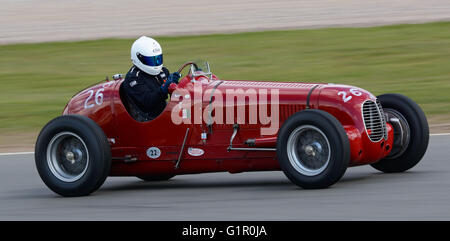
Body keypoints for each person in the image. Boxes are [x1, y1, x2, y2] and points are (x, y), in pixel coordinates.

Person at [122, 36, 181, 120]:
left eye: (158, 59)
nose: (156, 64)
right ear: (139, 58)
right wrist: (164, 88)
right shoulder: (133, 79)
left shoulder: (162, 71)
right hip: (148, 120)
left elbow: (175, 93)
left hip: (164, 113)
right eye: (151, 60)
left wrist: (178, 84)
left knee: (189, 113)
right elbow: (148, 103)